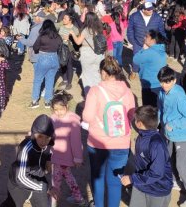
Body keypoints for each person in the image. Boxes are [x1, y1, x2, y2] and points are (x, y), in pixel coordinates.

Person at [82, 56, 135, 207]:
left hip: (98, 142)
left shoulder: (95, 91)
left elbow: (87, 116)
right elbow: (131, 114)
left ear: (103, 73)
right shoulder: (127, 91)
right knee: (115, 182)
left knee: (98, 179)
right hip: (121, 143)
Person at [157, 67, 186, 207]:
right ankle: (176, 181)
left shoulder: (179, 96)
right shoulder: (161, 92)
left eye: (167, 82)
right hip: (168, 133)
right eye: (161, 82)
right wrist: (159, 124)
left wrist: (173, 124)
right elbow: (161, 109)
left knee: (182, 165)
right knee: (169, 158)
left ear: (174, 80)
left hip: (182, 136)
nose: (164, 85)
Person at [120, 105, 172, 207]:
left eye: (135, 119)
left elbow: (157, 173)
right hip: (141, 185)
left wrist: (132, 179)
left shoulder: (156, 144)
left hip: (158, 189)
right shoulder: (142, 137)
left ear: (139, 124)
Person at [3, 114, 57, 207]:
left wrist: (48, 160)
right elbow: (20, 177)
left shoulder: (49, 143)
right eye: (40, 136)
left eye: (47, 138)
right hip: (19, 185)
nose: (43, 141)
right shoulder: (26, 148)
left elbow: (49, 153)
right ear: (33, 132)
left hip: (38, 178)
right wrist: (44, 187)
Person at [49, 91, 88, 206]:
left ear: (67, 106)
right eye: (55, 109)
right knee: (68, 177)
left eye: (61, 109)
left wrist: (77, 158)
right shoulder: (53, 118)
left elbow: (76, 141)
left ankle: (53, 201)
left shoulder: (72, 120)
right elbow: (46, 131)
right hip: (56, 154)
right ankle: (78, 198)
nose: (58, 112)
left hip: (65, 156)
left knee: (56, 180)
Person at [30, 19, 62, 108]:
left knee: (38, 80)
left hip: (43, 57)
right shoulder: (58, 36)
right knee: (50, 80)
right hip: (55, 58)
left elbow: (35, 47)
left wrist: (38, 50)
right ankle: (48, 101)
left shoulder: (42, 36)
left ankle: (35, 101)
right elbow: (60, 46)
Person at [127, 2, 166, 73]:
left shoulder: (157, 17)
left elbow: (161, 31)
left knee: (149, 61)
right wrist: (133, 42)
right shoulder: (134, 16)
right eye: (148, 10)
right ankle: (134, 72)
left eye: (152, 9)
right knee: (136, 61)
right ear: (143, 10)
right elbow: (130, 30)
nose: (151, 11)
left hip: (152, 45)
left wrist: (162, 43)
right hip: (138, 44)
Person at [133, 30, 167, 107]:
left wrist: (143, 49)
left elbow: (135, 59)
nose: (144, 38)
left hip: (149, 85)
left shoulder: (150, 52)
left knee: (148, 110)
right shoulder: (161, 49)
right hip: (159, 83)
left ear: (153, 40)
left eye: (147, 36)